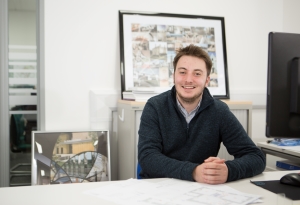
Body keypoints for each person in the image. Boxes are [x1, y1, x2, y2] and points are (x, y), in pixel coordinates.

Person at [137, 44, 266, 184]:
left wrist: (228, 170)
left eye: (197, 73)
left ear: (207, 81)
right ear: (174, 76)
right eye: (182, 72)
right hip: (157, 189)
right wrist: (194, 171)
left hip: (199, 191)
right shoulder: (155, 106)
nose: (188, 79)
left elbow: (256, 157)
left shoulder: (219, 111)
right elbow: (147, 157)